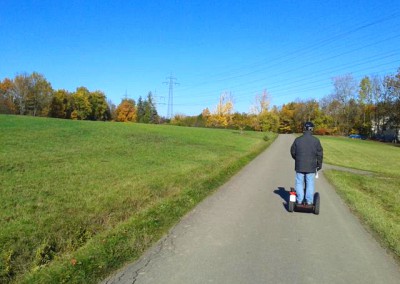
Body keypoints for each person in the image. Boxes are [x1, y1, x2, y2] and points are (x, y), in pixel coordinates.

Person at [290, 122, 323, 205]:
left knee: (299, 182)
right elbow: (319, 154)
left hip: (300, 165)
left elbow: (293, 152)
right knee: (310, 183)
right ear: (312, 129)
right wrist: (319, 164)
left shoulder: (298, 140)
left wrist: (297, 159)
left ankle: (299, 200)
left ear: (304, 129)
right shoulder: (316, 140)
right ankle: (309, 201)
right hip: (311, 166)